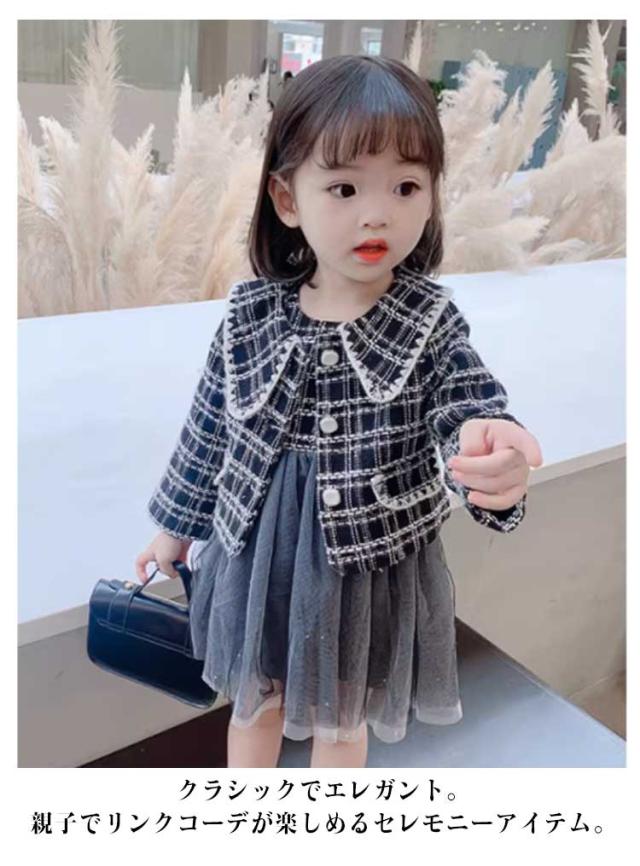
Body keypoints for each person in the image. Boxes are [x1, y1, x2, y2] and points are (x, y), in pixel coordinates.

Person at [135, 54, 543, 770]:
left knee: (344, 719)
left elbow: (467, 400)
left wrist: (492, 451)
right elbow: (209, 428)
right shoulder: (250, 314)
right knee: (253, 704)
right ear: (287, 199)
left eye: (406, 186)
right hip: (257, 549)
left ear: (432, 196)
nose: (376, 213)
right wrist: (174, 528)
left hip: (367, 565)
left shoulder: (428, 320)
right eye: (344, 187)